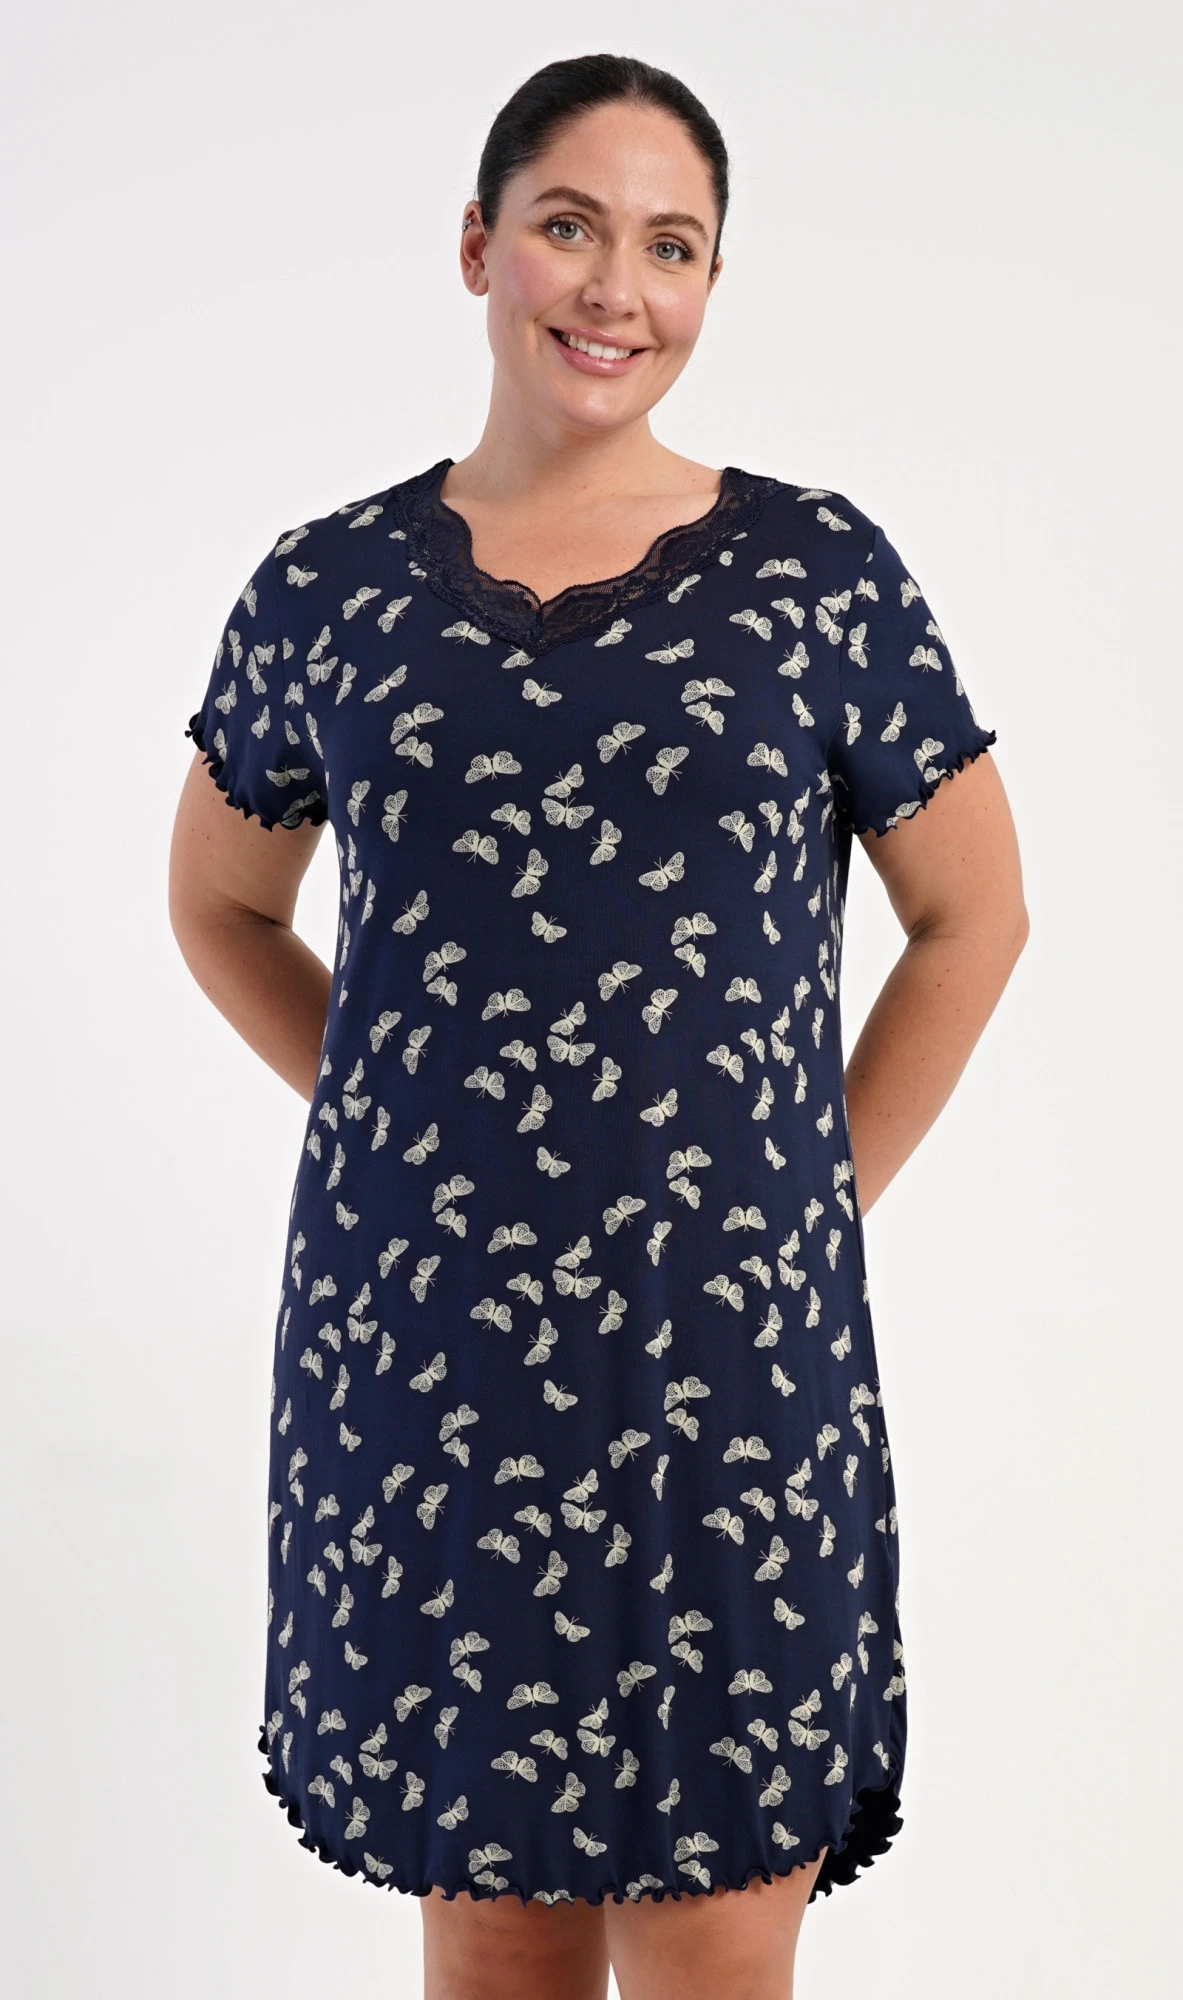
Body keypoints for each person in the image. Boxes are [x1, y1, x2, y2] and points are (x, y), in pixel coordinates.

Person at [169, 51, 1028, 2000]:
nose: (616, 287)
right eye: (570, 227)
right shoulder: (330, 589)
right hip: (429, 1349)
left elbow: (974, 914)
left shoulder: (815, 575)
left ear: (713, 280)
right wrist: (398, 1124)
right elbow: (219, 902)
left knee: (722, 1931)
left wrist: (807, 1192)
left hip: (727, 1353)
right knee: (492, 1934)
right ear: (480, 246)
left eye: (672, 245)